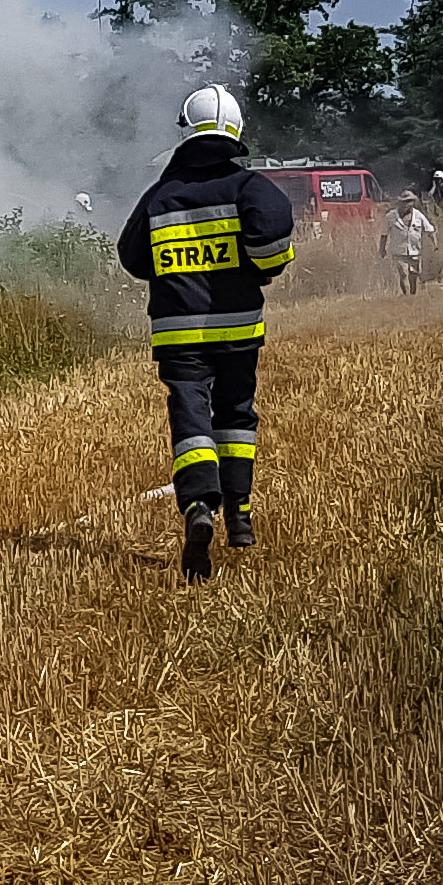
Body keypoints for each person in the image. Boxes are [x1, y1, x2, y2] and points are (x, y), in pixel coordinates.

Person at [116, 85, 296, 582]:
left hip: (179, 332)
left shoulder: (161, 194)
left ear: (187, 132)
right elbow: (275, 239)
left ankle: (198, 505)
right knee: (236, 414)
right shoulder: (249, 188)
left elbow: (132, 257)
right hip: (239, 327)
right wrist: (260, 268)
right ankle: (240, 515)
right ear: (235, 131)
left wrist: (172, 269)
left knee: (190, 411)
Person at [382, 190, 436, 296]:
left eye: (409, 202)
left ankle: (413, 295)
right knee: (403, 274)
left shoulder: (418, 216)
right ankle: (407, 296)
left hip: (415, 251)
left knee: (414, 275)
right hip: (398, 251)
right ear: (400, 203)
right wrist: (382, 248)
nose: (406, 204)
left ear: (412, 203)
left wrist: (435, 244)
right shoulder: (391, 216)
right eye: (404, 202)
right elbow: (384, 234)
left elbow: (430, 230)